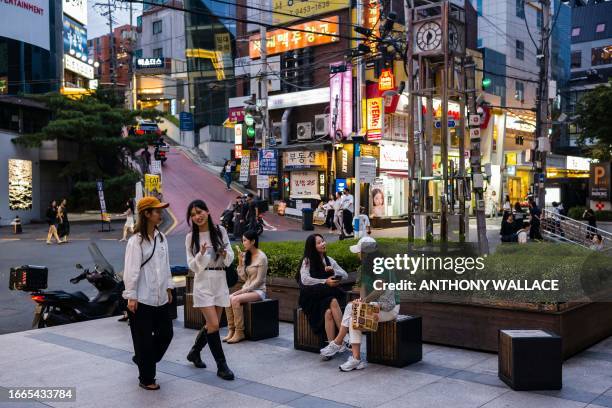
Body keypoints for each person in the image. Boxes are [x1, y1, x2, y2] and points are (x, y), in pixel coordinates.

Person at [320, 236, 399, 371]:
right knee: (353, 315)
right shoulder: (365, 267)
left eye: (359, 251)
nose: (357, 254)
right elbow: (363, 288)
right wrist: (361, 301)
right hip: (373, 305)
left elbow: (380, 288)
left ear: (366, 253)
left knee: (352, 308)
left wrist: (364, 301)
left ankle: (338, 342)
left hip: (387, 308)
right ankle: (356, 359)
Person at [122, 197, 174, 391]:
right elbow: (131, 270)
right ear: (146, 214)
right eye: (157, 211)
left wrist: (169, 288)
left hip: (160, 298)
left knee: (167, 334)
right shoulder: (136, 241)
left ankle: (143, 359)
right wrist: (131, 296)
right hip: (142, 299)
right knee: (143, 340)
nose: (161, 214)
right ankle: (146, 378)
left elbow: (166, 265)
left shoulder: (162, 238)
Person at [184, 199, 235, 380]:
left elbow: (230, 257)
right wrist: (202, 254)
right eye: (193, 215)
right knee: (213, 325)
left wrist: (224, 253)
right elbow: (192, 266)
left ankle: (195, 351)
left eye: (200, 212)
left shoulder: (220, 231)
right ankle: (222, 366)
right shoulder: (191, 237)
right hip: (203, 282)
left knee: (211, 325)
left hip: (220, 280)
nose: (197, 217)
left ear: (207, 211)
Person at [297, 234, 348, 349]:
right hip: (311, 297)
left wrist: (334, 271)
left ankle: (331, 346)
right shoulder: (307, 261)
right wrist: (325, 281)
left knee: (329, 312)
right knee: (333, 300)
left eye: (323, 241)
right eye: (319, 243)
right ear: (312, 247)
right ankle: (344, 336)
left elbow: (345, 275)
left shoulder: (329, 260)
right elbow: (305, 280)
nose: (323, 244)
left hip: (325, 295)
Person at [224, 230, 268, 344]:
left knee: (235, 299)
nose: (243, 243)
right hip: (247, 289)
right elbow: (244, 278)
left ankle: (239, 332)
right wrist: (240, 262)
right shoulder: (247, 255)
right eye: (242, 240)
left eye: (245, 240)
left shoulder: (262, 257)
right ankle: (231, 330)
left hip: (259, 291)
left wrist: (243, 291)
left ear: (253, 241)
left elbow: (259, 281)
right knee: (228, 298)